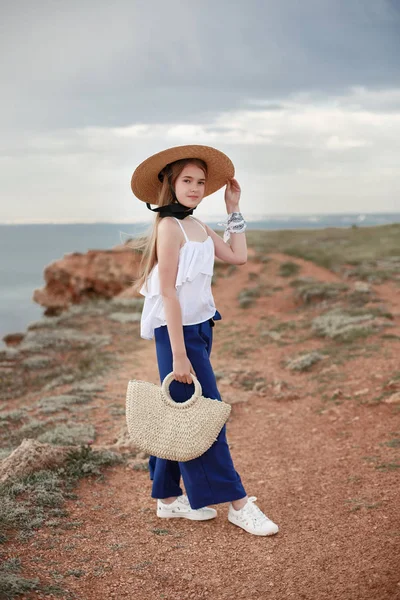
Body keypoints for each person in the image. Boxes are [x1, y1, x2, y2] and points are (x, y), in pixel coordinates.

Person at [130, 144, 279, 536]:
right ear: (170, 184)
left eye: (200, 181)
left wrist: (234, 209)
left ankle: (166, 498)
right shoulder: (169, 227)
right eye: (187, 181)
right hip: (176, 334)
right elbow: (168, 294)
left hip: (201, 328)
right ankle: (238, 503)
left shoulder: (199, 226)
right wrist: (180, 355)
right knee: (207, 414)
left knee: (181, 410)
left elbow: (238, 256)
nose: (195, 188)